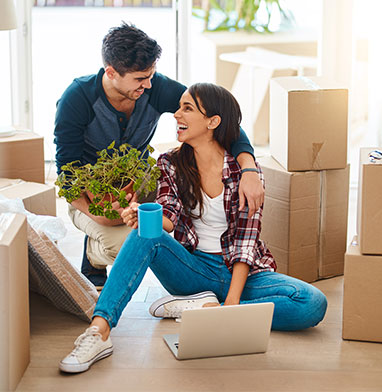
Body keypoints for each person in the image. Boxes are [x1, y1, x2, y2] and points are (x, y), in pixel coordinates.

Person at [59, 83, 327, 374]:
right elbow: (170, 217)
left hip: (243, 272)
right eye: (179, 107)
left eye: (187, 108)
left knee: (312, 303)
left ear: (213, 122)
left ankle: (205, 307)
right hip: (192, 269)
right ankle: (99, 332)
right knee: (145, 235)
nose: (176, 114)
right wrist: (145, 217)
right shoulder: (170, 163)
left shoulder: (244, 173)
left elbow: (245, 243)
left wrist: (230, 306)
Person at [54, 22, 265, 289]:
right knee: (125, 247)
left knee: (162, 236)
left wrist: (249, 169)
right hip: (91, 197)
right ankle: (93, 255)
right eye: (140, 79)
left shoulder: (155, 88)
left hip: (141, 184)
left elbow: (218, 119)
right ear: (111, 72)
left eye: (151, 74)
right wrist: (99, 216)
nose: (149, 84)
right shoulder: (77, 99)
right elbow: (67, 177)